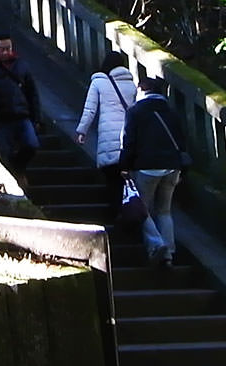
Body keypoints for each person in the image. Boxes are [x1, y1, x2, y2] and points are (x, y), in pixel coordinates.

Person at [120, 73, 186, 268]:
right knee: (165, 210)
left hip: (146, 167)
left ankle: (157, 246)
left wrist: (124, 166)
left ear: (142, 90)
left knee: (144, 210)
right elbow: (182, 141)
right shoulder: (171, 112)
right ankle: (170, 252)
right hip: (172, 167)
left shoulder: (135, 112)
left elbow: (129, 142)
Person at [75, 50, 134, 209]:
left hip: (109, 139)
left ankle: (116, 217)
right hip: (128, 140)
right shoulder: (131, 85)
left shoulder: (99, 82)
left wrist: (82, 131)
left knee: (112, 180)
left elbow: (90, 110)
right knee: (126, 182)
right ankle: (130, 215)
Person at [0, 33, 41, 185]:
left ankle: (18, 169)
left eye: (8, 48)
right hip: (1, 118)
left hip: (22, 115)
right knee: (5, 152)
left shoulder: (21, 65)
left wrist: (37, 117)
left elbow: (32, 92)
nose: (5, 52)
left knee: (32, 144)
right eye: (1, 49)